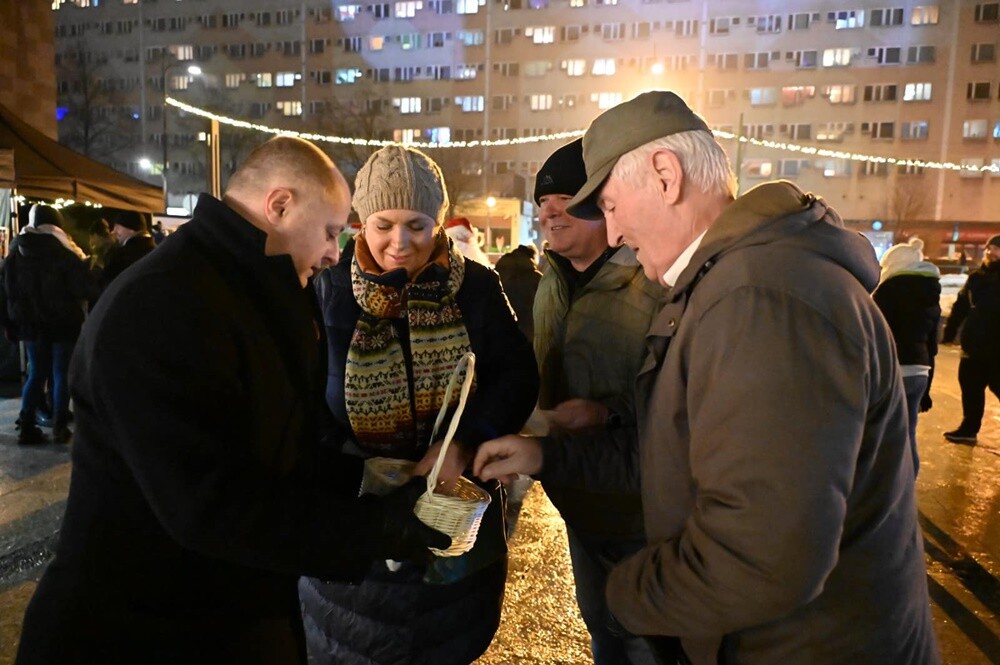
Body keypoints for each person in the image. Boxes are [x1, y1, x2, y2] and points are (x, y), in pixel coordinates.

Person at [477, 91, 939, 664]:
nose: (614, 233)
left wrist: (623, 595)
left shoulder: (760, 298)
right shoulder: (732, 284)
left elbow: (761, 556)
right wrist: (547, 456)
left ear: (665, 176)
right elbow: (677, 450)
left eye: (614, 206)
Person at [15, 136, 451, 664]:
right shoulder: (162, 303)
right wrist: (376, 531)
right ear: (280, 205)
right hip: (137, 632)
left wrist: (365, 479)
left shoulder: (251, 287)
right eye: (332, 232)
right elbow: (208, 502)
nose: (336, 252)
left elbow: (272, 446)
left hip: (220, 617)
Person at [299, 144, 538, 665]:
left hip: (453, 511)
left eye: (418, 225)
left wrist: (464, 442)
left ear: (439, 221)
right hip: (356, 521)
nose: (399, 243)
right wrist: (353, 470)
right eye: (383, 224)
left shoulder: (476, 287)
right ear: (361, 221)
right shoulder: (327, 290)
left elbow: (517, 376)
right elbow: (300, 401)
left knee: (448, 642)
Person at [476, 137, 663, 664]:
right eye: (542, 200)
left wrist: (608, 413)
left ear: (605, 205)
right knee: (603, 633)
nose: (549, 210)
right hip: (579, 501)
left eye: (567, 198)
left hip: (643, 512)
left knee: (646, 643)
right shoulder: (550, 283)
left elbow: (685, 401)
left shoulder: (653, 281)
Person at [1, 204, 96, 445]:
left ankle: (26, 425)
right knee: (60, 374)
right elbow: (82, 288)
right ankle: (59, 427)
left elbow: (7, 291)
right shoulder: (65, 254)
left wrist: (11, 322)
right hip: (64, 324)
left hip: (31, 326)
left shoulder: (16, 253)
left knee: (36, 373)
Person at [872, 237, 941, 473]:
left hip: (893, 371)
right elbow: (932, 346)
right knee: (909, 429)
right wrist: (927, 389)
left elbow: (876, 335)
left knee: (884, 433)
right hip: (919, 372)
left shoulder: (887, 291)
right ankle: (909, 481)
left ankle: (889, 490)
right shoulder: (930, 294)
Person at [940, 234, 1000, 444]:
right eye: (989, 249)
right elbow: (961, 306)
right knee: (970, 387)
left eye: (997, 249)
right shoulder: (976, 278)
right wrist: (950, 332)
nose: (992, 253)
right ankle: (968, 428)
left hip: (997, 347)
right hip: (974, 344)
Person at [494, 243, 542, 342]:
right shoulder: (537, 278)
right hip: (527, 330)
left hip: (500, 327)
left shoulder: (498, 272)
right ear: (532, 258)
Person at [101, 209, 156, 287]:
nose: (114, 232)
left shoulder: (124, 255)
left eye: (118, 227)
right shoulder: (154, 250)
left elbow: (107, 279)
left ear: (131, 229)